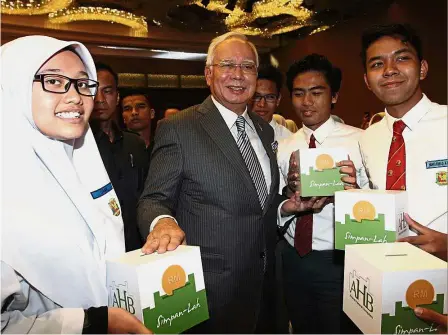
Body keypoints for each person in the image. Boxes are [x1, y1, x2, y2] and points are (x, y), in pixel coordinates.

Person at [137, 31, 286, 333]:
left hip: (266, 284)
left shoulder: (265, 130)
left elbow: (259, 205)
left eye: (247, 67)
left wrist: (289, 205)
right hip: (211, 290)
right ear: (208, 73)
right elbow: (153, 198)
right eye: (227, 65)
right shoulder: (179, 128)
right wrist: (162, 222)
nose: (238, 75)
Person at [1, 35, 151, 334]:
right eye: (54, 81)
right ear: (11, 87)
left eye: (83, 84)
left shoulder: (79, 166)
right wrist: (92, 323)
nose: (76, 96)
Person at [277, 54, 369, 334]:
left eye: (316, 93)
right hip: (293, 256)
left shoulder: (361, 141)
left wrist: (354, 191)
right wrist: (288, 201)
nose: (307, 102)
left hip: (339, 259)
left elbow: (380, 200)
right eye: (299, 94)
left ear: (334, 96)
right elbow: (277, 199)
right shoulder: (283, 146)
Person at [359, 24, 447, 235]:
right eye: (377, 63)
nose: (389, 70)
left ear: (423, 68)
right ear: (367, 81)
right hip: (385, 262)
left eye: (401, 58)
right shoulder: (368, 138)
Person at [90, 62, 149, 252]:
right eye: (93, 90)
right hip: (99, 250)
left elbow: (146, 196)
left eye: (107, 91)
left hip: (138, 246)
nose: (99, 99)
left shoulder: (135, 144)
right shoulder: (77, 146)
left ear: (117, 97)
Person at [250, 64, 292, 142]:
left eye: (270, 97)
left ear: (278, 100)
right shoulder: (235, 134)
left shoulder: (289, 140)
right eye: (257, 96)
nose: (262, 104)